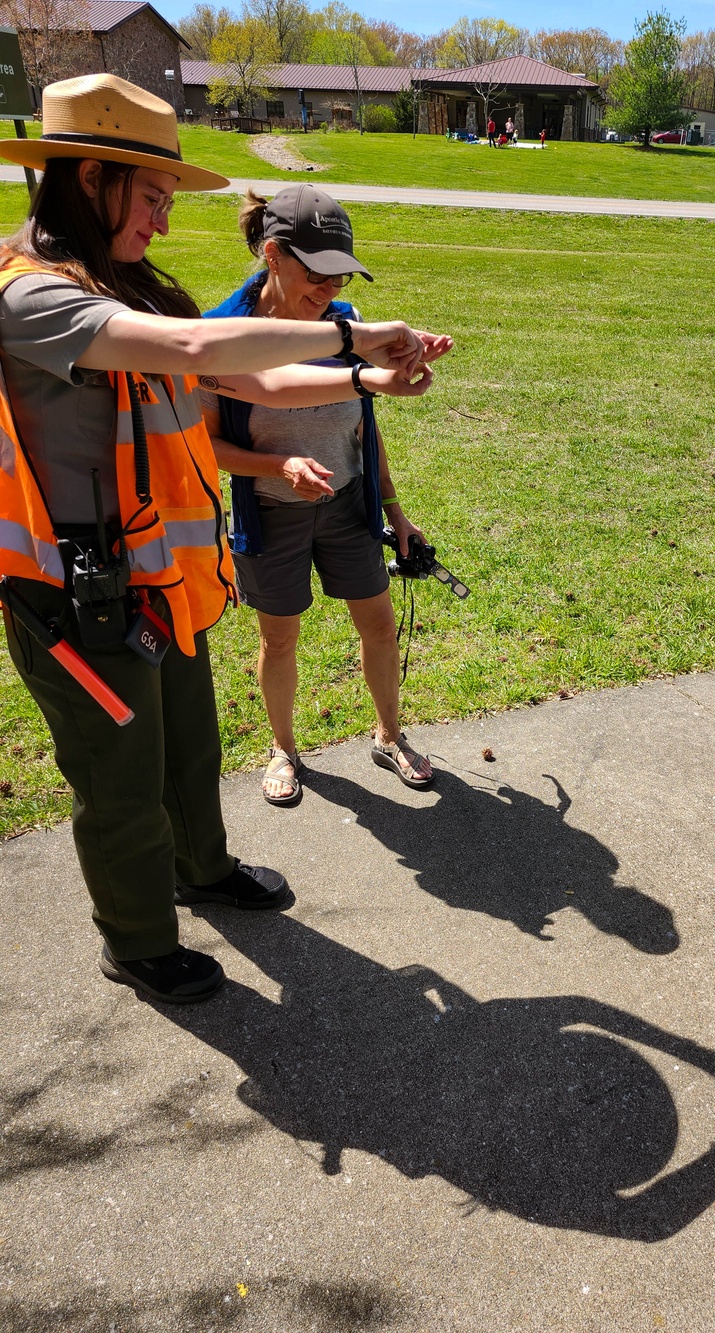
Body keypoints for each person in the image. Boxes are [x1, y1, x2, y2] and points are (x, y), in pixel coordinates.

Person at [0, 74, 448, 1005]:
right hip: (76, 599)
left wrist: (364, 383)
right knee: (121, 781)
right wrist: (356, 337)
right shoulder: (30, 298)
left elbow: (259, 387)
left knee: (189, 746)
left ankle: (201, 870)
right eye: (154, 199)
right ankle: (138, 941)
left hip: (163, 578)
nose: (164, 223)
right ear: (90, 177)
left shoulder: (122, 283)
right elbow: (203, 354)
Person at [202, 186, 435, 806]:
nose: (331, 289)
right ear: (274, 255)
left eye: (342, 275)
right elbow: (204, 447)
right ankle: (282, 748)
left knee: (379, 625)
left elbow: (364, 426)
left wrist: (395, 510)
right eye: (317, 273)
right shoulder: (220, 335)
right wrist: (277, 463)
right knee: (279, 639)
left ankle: (389, 733)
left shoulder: (345, 327)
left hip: (346, 504)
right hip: (271, 511)